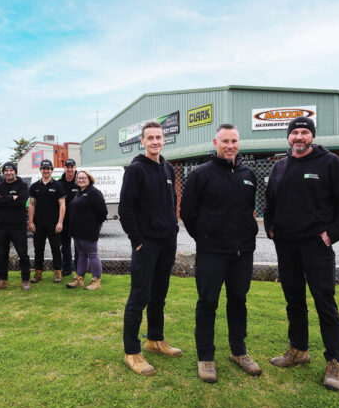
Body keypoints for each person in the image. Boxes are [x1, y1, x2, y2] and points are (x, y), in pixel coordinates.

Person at [264, 116, 339, 391]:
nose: (299, 138)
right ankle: (298, 351)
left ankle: (334, 361)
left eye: (305, 132)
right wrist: (271, 229)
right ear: (288, 137)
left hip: (317, 247)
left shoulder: (330, 164)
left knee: (324, 302)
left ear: (312, 136)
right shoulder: (280, 167)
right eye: (295, 133)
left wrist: (330, 235)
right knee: (294, 302)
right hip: (286, 246)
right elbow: (269, 204)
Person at [181, 124, 261, 384]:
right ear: (216, 141)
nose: (230, 145)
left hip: (242, 253)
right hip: (212, 253)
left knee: (238, 301)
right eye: (225, 140)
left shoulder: (248, 173)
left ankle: (239, 352)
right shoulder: (200, 174)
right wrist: (205, 238)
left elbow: (249, 209)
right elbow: (188, 214)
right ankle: (206, 357)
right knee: (208, 303)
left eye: (234, 141)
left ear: (239, 142)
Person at [119, 121, 181, 377]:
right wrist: (138, 241)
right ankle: (131, 352)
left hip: (167, 241)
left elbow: (172, 201)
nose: (155, 141)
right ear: (142, 142)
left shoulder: (167, 167)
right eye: (150, 138)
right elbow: (126, 210)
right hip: (147, 245)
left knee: (159, 295)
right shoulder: (135, 170)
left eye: (159, 137)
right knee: (139, 298)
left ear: (164, 139)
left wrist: (174, 229)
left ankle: (155, 339)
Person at [0, 161, 31, 291]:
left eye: (11, 170)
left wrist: (3, 199)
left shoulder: (23, 185)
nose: (8, 173)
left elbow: (21, 202)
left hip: (18, 225)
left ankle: (25, 280)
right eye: (6, 171)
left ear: (15, 171)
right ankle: (2, 281)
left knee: (22, 253)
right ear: (3, 172)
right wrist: (11, 198)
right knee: (2, 254)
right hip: (1, 225)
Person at [66, 170, 107, 290]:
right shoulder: (79, 192)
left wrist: (98, 223)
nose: (81, 180)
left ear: (89, 179)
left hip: (89, 230)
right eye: (79, 178)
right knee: (82, 255)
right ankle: (79, 279)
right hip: (77, 230)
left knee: (92, 254)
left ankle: (96, 281)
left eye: (84, 178)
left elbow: (103, 211)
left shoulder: (94, 192)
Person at [28, 159, 66, 283]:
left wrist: (60, 222)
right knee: (38, 249)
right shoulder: (34, 186)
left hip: (54, 223)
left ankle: (57, 272)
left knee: (56, 248)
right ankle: (38, 273)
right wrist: (31, 222)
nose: (46, 171)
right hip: (38, 224)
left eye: (48, 169)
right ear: (40, 170)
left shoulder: (58, 186)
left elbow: (62, 205)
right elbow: (31, 205)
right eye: (43, 169)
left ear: (51, 170)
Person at [58, 158, 79, 276]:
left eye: (72, 167)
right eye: (68, 167)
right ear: (64, 168)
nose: (70, 169)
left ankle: (79, 269)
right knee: (65, 246)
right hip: (64, 221)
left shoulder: (80, 181)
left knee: (78, 248)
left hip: (77, 221)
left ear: (75, 168)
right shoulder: (60, 183)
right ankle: (66, 268)